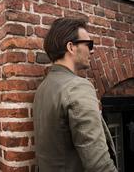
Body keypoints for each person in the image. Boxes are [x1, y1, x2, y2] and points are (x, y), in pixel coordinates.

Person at [33, 18, 118, 171]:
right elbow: (98, 163)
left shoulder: (42, 89)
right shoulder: (77, 87)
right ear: (71, 47)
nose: (92, 51)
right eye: (89, 45)